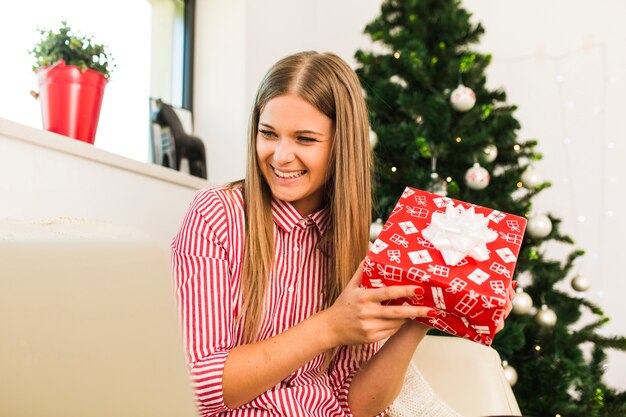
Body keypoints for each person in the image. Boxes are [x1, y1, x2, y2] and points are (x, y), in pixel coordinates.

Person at [171, 51, 514, 417]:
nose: (281, 156)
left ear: (341, 146)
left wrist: (421, 315)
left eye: (305, 139)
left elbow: (358, 406)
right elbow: (199, 385)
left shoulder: (354, 248)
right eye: (268, 134)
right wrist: (331, 327)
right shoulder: (216, 216)